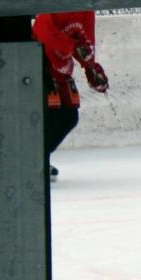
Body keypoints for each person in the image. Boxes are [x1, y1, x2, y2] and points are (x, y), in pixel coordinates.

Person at [32, 10, 110, 181]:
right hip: (39, 67)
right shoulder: (56, 3)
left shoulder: (87, 11)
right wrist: (73, 45)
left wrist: (91, 68)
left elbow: (86, 43)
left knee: (68, 117)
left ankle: (38, 158)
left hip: (61, 73)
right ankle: (34, 161)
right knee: (47, 116)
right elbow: (44, 35)